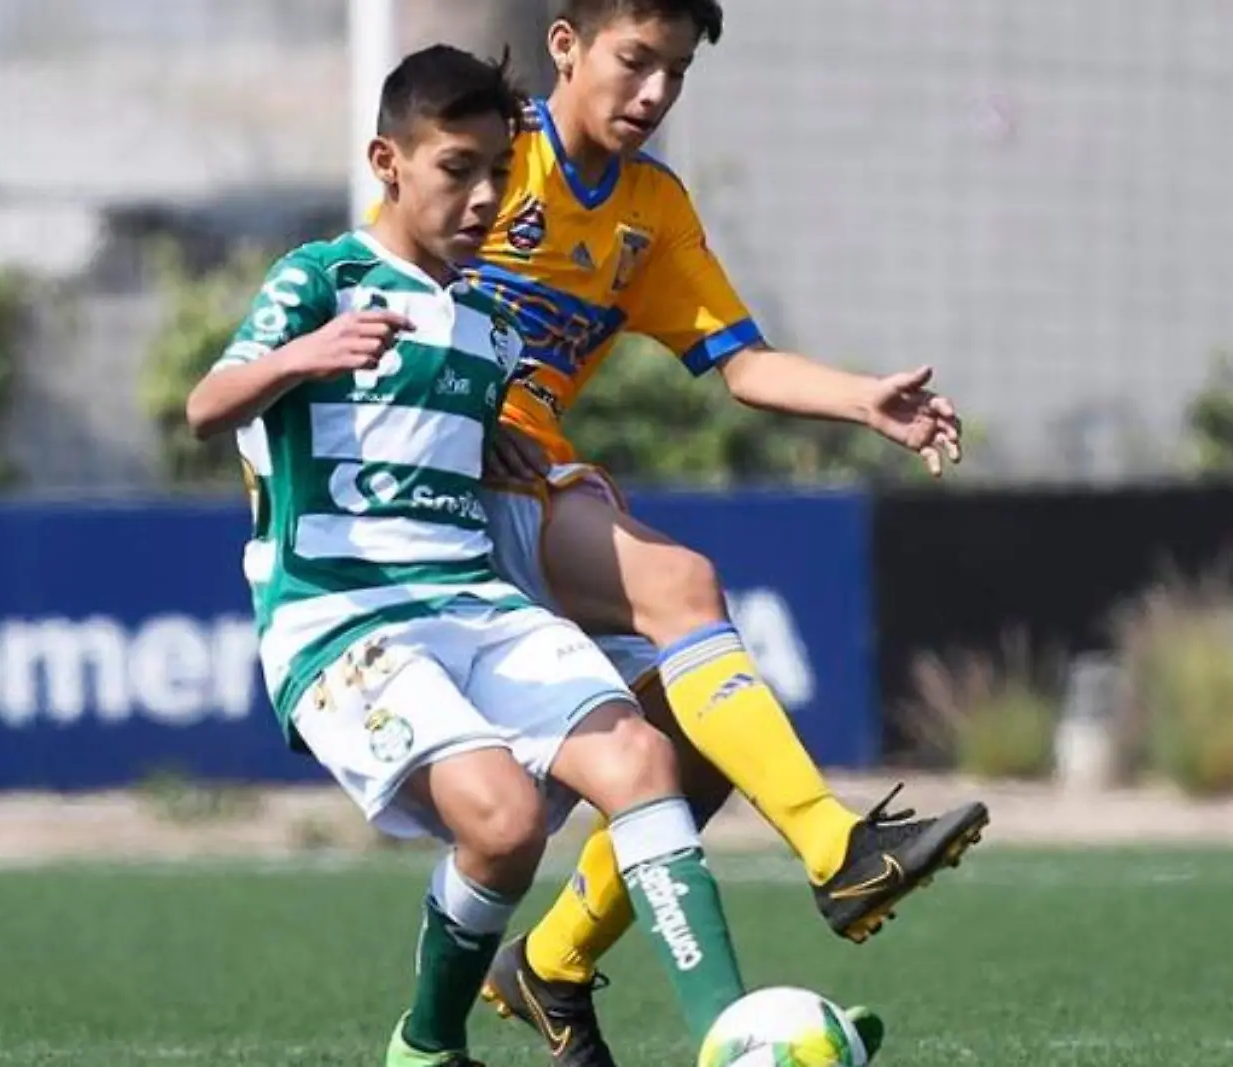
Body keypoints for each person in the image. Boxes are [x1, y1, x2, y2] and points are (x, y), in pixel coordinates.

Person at [185, 44, 808, 1067]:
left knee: (643, 760)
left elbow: (452, 424)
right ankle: (427, 1043)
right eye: (456, 170)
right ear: (387, 160)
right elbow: (208, 407)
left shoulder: (484, 322)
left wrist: (497, 438)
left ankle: (731, 1037)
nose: (483, 197)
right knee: (505, 822)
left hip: (475, 600)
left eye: (495, 173)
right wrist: (303, 355)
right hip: (346, 616)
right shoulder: (320, 278)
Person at [466, 3, 990, 1064]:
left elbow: (741, 363)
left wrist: (862, 401)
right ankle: (836, 848)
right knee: (682, 581)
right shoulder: (487, 151)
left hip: (525, 475)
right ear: (564, 44)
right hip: (441, 480)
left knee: (688, 753)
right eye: (634, 61)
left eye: (676, 72)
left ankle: (550, 963)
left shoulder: (649, 211)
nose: (654, 93)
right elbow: (380, 272)